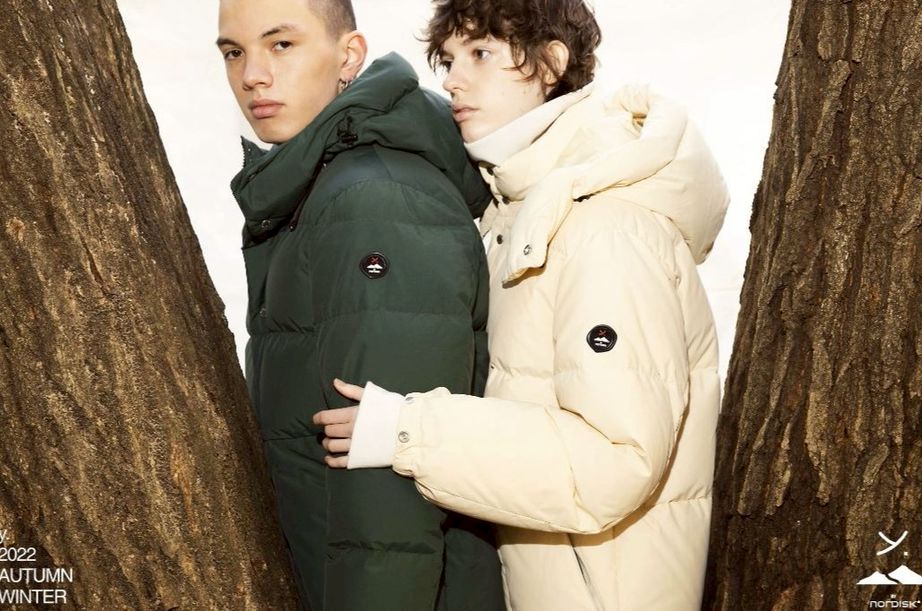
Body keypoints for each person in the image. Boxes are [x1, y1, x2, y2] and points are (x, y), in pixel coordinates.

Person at [314, 0, 731, 609]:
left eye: (481, 54)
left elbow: (617, 460)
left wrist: (409, 430)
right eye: (449, 60)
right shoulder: (515, 212)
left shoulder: (606, 226)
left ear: (551, 64)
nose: (454, 80)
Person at [217, 0, 506, 609]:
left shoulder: (373, 196)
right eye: (234, 52)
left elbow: (391, 508)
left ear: (348, 56)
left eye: (281, 45)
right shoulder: (325, 184)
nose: (253, 76)